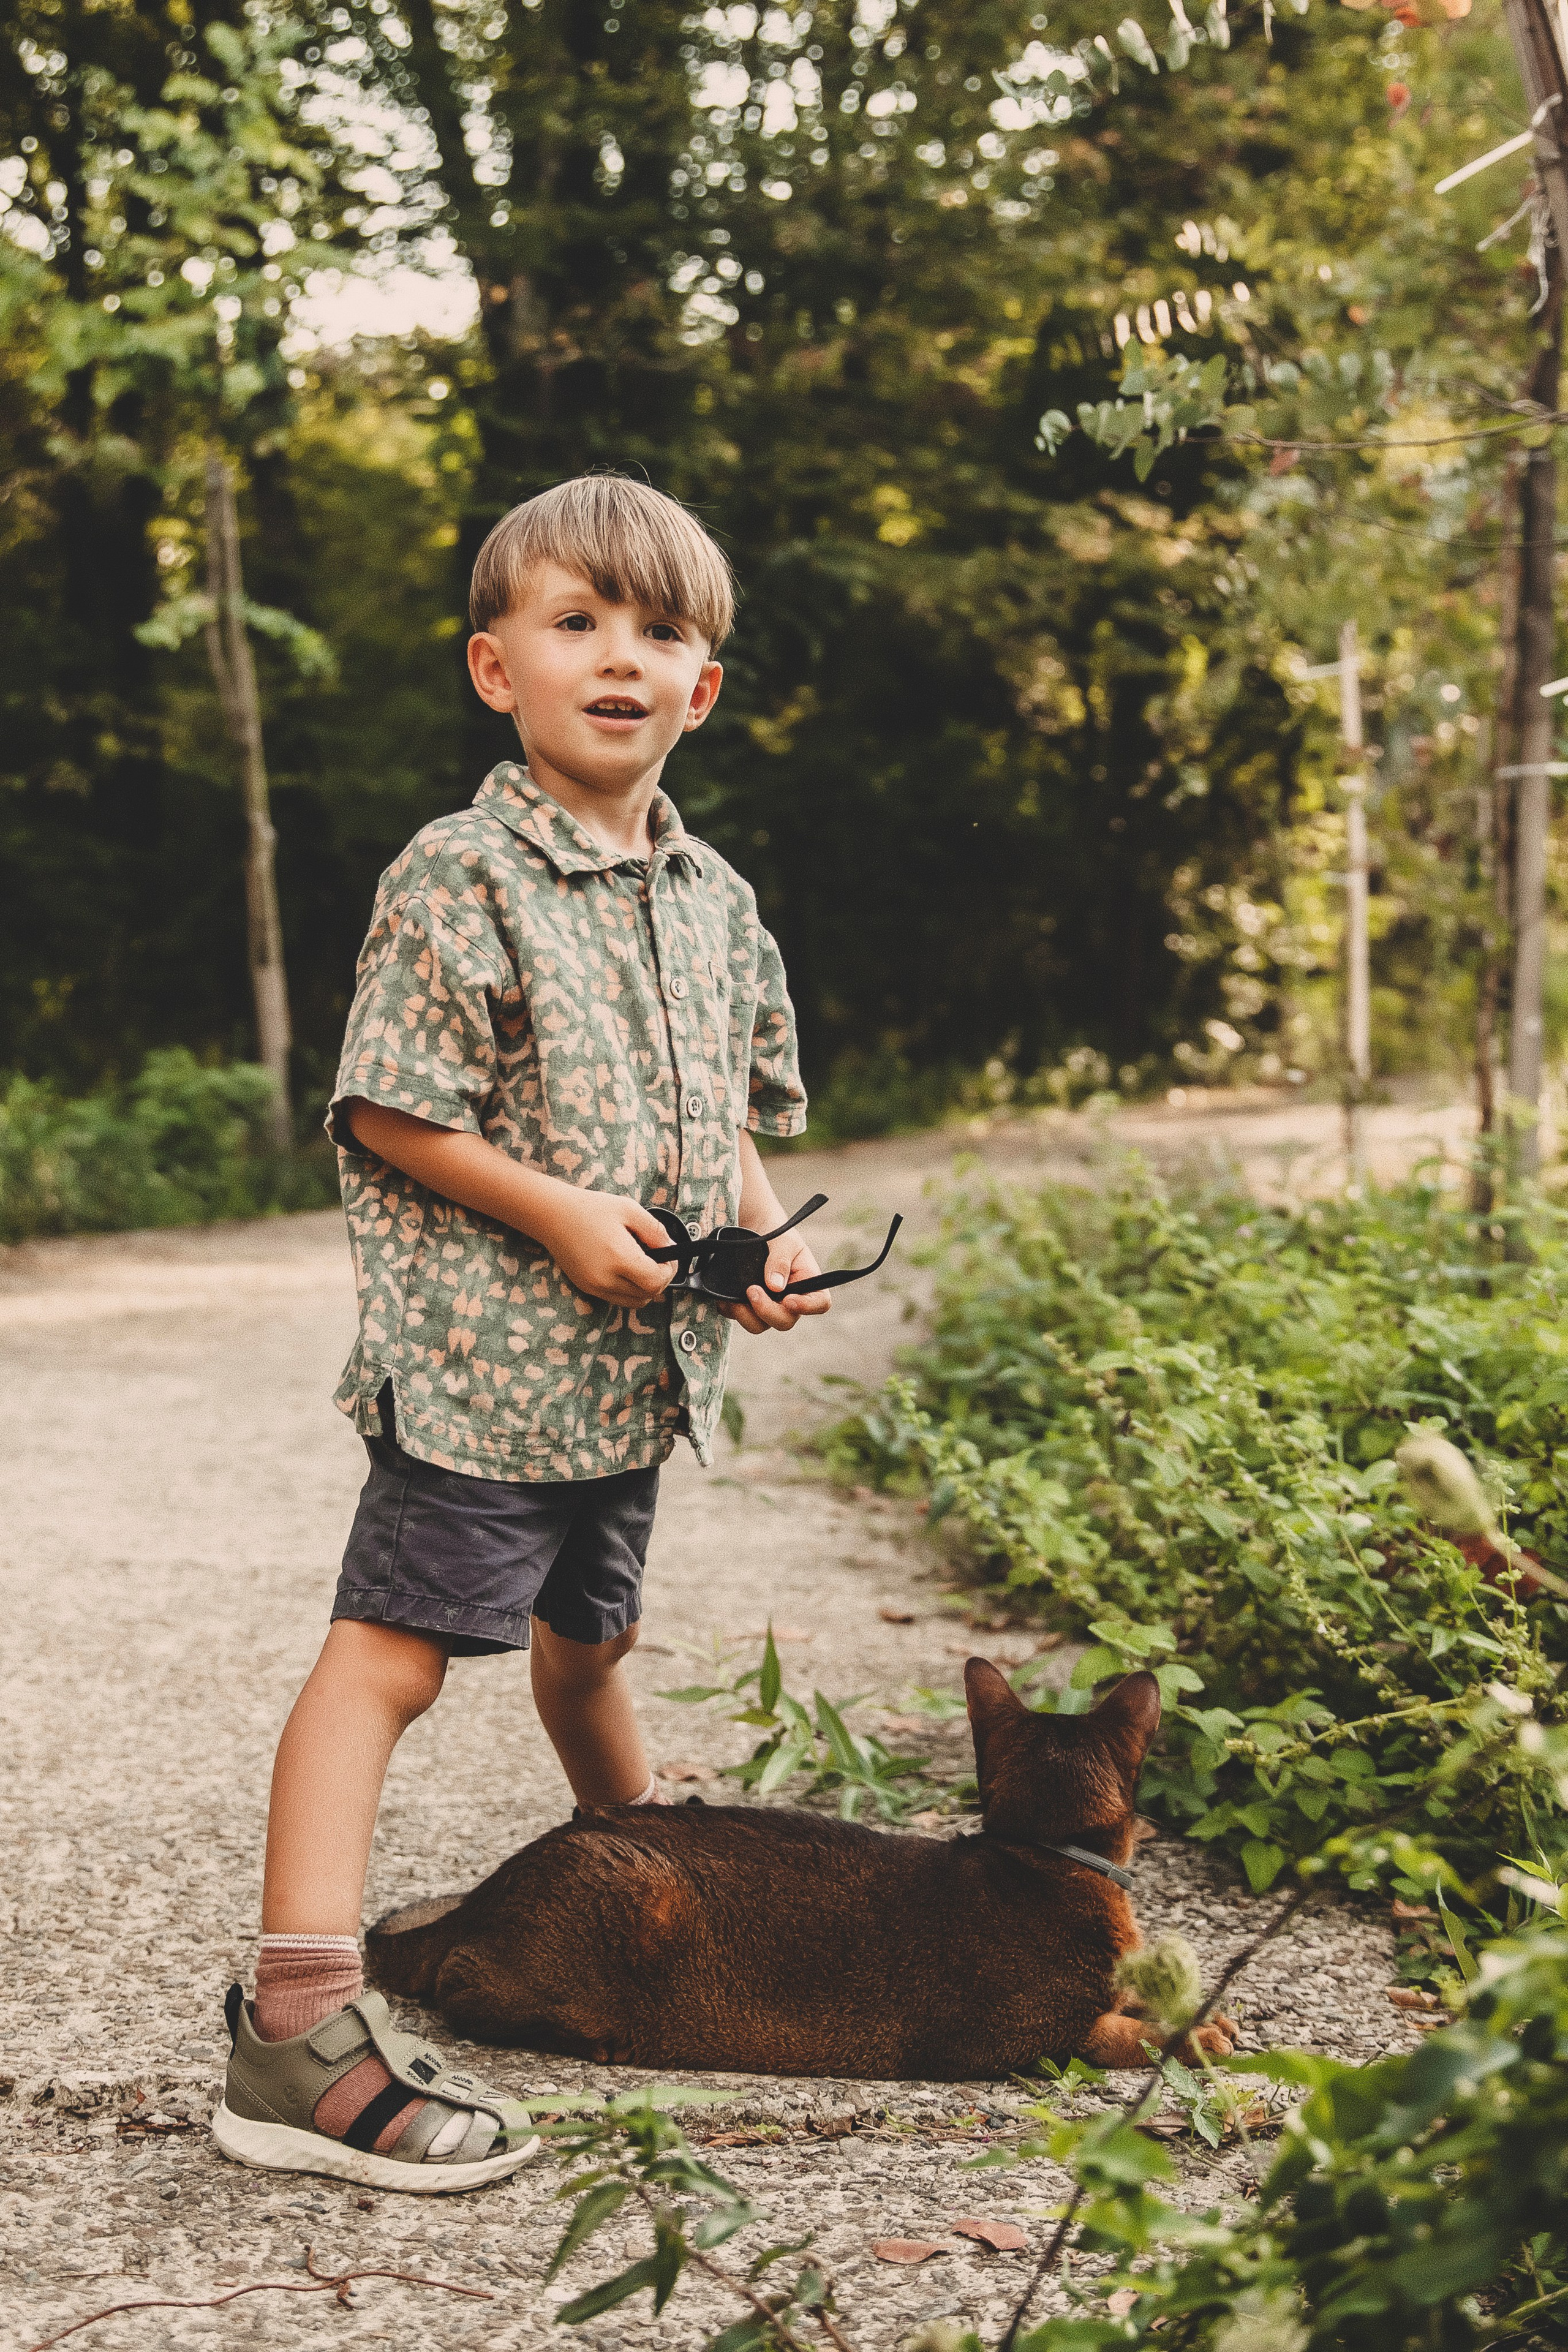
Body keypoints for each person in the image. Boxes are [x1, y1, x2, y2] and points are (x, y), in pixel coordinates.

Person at [213, 475, 826, 2192]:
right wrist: (557, 1209)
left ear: (703, 688)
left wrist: (759, 1243)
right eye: (579, 623)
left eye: (662, 630)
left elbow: (730, 1126)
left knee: (590, 1646)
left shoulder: (713, 899)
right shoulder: (458, 875)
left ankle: (638, 1872)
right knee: (391, 1659)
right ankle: (297, 2027)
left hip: (625, 1384)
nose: (619, 657)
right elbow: (388, 1111)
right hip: (486, 1374)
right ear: (499, 669)